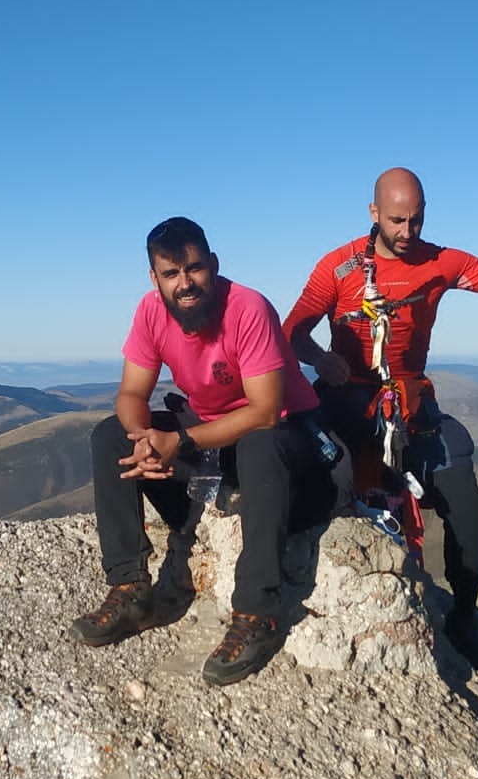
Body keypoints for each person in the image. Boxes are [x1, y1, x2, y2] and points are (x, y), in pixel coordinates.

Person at [283, 167, 478, 651]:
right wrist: (321, 358)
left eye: (416, 220)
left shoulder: (441, 262)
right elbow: (292, 333)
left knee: (461, 481)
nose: (407, 232)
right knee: (325, 470)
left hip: (410, 398)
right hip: (347, 393)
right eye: (396, 220)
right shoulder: (339, 267)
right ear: (374, 213)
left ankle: (464, 612)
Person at [75, 216, 341, 687]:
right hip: (216, 436)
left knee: (259, 444)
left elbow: (265, 412)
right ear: (154, 278)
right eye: (171, 274)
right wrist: (144, 440)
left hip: (287, 437)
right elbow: (131, 395)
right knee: (109, 436)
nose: (186, 284)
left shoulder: (248, 309)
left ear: (213, 265)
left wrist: (177, 442)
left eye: (194, 269)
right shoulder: (151, 312)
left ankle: (258, 613)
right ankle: (130, 586)